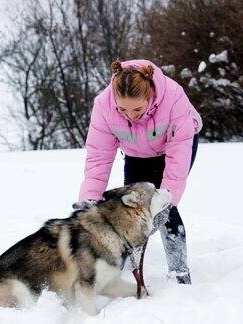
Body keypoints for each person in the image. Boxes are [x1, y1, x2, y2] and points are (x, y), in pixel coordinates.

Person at [76, 59, 202, 284]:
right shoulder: (104, 105)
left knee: (165, 212)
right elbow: (98, 156)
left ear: (151, 94)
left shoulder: (174, 99)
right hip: (136, 152)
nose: (130, 115)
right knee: (130, 207)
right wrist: (89, 199)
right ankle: (127, 265)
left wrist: (167, 199)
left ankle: (179, 272)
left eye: (137, 109)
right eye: (123, 109)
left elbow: (177, 161)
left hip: (174, 148)